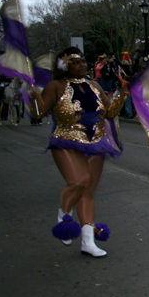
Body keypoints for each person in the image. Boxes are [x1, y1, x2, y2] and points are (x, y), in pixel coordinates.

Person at [28, 47, 129, 258]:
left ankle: (88, 242)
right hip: (66, 141)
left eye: (83, 61)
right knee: (78, 182)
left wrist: (123, 93)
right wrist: (34, 99)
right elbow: (39, 113)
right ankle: (64, 213)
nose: (82, 65)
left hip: (96, 142)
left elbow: (109, 114)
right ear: (64, 66)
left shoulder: (94, 85)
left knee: (88, 192)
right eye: (76, 62)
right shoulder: (55, 86)